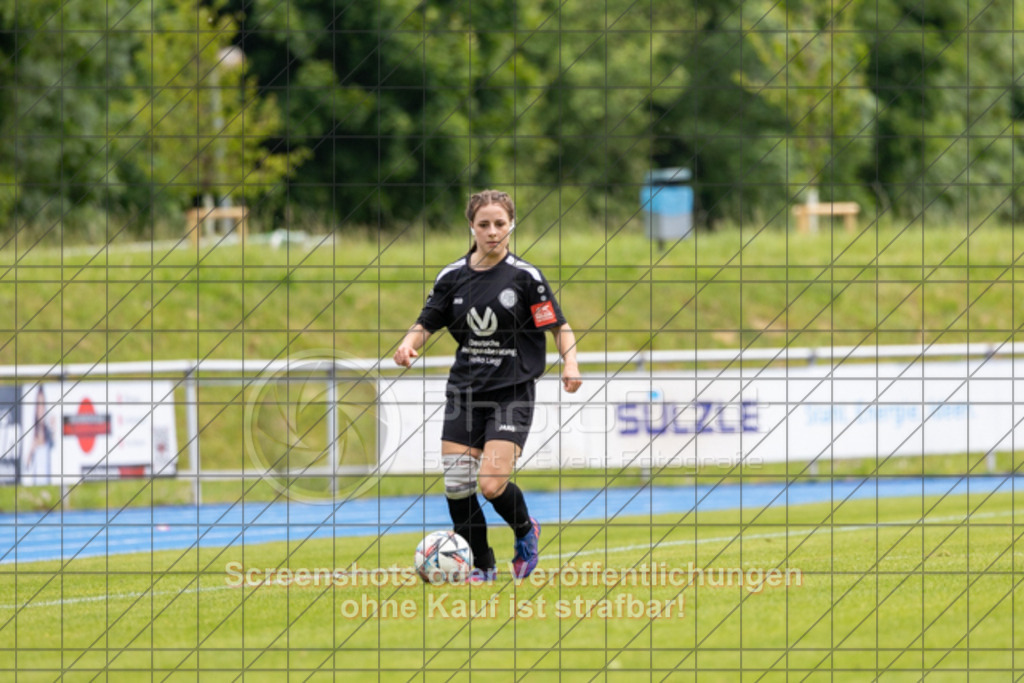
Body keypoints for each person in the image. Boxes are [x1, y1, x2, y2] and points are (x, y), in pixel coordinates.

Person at [394, 189, 582, 581]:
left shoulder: (525, 277)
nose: (493, 232)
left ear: (511, 225)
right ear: (471, 227)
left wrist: (571, 363)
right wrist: (408, 345)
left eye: (500, 223)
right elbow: (427, 320)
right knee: (459, 486)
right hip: (465, 392)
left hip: (512, 391)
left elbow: (559, 327)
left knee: (492, 484)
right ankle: (483, 566)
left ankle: (526, 531)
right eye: (484, 224)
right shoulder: (452, 277)